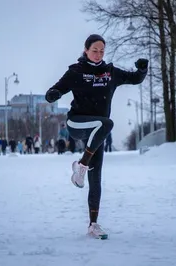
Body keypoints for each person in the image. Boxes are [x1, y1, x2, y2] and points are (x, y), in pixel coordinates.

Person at [45, 34, 148, 239]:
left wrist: (142, 69)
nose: (98, 54)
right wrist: (53, 94)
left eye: (102, 50)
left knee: (96, 178)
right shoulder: (76, 71)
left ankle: (93, 224)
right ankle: (81, 165)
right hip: (78, 123)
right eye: (94, 50)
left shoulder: (110, 73)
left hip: (97, 133)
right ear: (86, 50)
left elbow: (134, 78)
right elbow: (55, 90)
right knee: (107, 123)